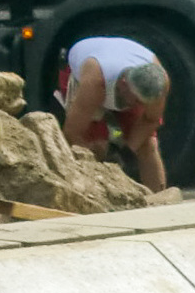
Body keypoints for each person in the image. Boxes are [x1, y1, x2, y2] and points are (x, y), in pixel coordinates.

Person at [58, 37, 171, 192]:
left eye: (143, 102)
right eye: (137, 100)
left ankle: (160, 202)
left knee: (148, 143)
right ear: (124, 83)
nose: (139, 106)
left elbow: (150, 121)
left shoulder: (158, 85)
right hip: (90, 75)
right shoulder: (94, 82)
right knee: (90, 145)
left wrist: (126, 152)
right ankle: (92, 199)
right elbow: (71, 134)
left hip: (117, 65)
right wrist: (104, 156)